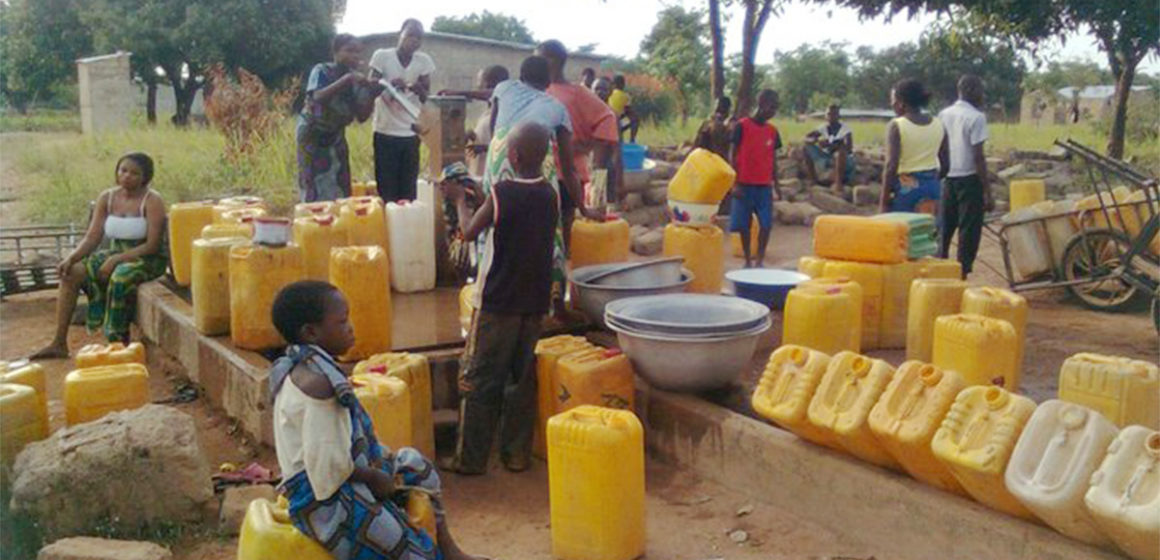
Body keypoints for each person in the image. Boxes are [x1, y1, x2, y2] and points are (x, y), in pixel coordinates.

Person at [269, 281, 482, 560]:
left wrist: (378, 465)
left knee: (416, 466)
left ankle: (450, 550)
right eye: (342, 321)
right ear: (311, 332)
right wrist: (373, 478)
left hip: (343, 471)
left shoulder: (308, 366)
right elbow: (328, 471)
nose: (351, 328)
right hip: (324, 498)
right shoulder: (319, 388)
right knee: (407, 548)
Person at [441, 122, 559, 475]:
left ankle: (470, 458)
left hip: (496, 304)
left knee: (478, 379)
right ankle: (516, 455)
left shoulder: (502, 194)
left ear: (514, 155)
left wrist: (462, 201)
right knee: (520, 381)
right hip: (534, 304)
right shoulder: (549, 195)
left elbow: (468, 232)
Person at [482, 56, 598, 316]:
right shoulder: (557, 108)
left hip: (500, 160)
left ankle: (492, 299)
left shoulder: (504, 88)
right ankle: (556, 302)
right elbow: (568, 168)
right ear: (548, 82)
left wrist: (498, 157)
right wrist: (583, 207)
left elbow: (494, 133)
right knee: (548, 233)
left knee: (496, 229)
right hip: (537, 169)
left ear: (520, 76)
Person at [31, 153, 167, 359]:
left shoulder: (152, 200)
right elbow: (92, 237)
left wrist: (116, 260)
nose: (127, 176)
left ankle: (118, 344)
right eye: (123, 170)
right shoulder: (108, 197)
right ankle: (59, 342)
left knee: (120, 277)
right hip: (114, 252)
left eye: (134, 173)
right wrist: (71, 258)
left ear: (145, 177)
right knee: (71, 273)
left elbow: (152, 245)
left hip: (145, 257)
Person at [536, 39, 621, 224]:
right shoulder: (535, 90)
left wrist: (594, 147)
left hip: (568, 173)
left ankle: (570, 251)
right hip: (539, 171)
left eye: (539, 59)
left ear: (553, 61)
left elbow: (607, 117)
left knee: (566, 220)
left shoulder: (577, 93)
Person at [297, 34, 382, 202]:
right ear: (335, 52)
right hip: (313, 133)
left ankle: (337, 222)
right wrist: (347, 79)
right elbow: (318, 97)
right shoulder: (321, 70)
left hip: (336, 135)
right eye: (349, 51)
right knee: (312, 181)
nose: (354, 56)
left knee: (341, 181)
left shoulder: (357, 80)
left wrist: (373, 94)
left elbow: (362, 117)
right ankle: (314, 221)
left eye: (358, 52)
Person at [369, 19, 434, 202]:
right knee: (387, 188)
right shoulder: (382, 56)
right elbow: (371, 87)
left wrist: (418, 89)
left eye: (419, 38)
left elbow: (426, 97)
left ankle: (405, 225)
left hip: (411, 132)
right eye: (410, 35)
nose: (414, 41)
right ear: (401, 34)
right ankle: (390, 226)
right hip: (385, 131)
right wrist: (389, 85)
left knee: (408, 189)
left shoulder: (424, 61)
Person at [938, 74, 993, 278]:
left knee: (945, 226)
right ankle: (962, 272)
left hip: (948, 177)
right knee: (969, 230)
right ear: (970, 90)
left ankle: (938, 266)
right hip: (969, 178)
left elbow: (940, 148)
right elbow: (978, 156)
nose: (983, 95)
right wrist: (987, 191)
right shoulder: (977, 117)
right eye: (980, 90)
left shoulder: (943, 114)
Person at [730, 89, 783, 269]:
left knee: (766, 224)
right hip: (744, 183)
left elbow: (773, 159)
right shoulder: (742, 126)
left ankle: (759, 260)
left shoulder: (773, 132)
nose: (773, 112)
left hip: (764, 185)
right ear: (761, 104)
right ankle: (747, 260)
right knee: (744, 225)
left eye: (775, 108)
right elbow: (733, 154)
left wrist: (777, 184)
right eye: (772, 107)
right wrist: (734, 181)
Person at [880, 78, 949, 214]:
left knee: (903, 232)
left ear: (901, 103)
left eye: (893, 101)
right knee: (929, 231)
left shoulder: (897, 125)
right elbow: (946, 164)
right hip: (932, 187)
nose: (892, 105)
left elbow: (891, 166)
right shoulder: (939, 124)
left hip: (906, 189)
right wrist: (930, 181)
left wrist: (884, 201)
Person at [439, 65, 510, 179]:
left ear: (489, 83)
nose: (478, 85)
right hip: (479, 168)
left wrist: (485, 148)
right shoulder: (489, 110)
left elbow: (506, 144)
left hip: (492, 170)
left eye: (480, 81)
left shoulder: (504, 108)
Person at [803, 103, 856, 196]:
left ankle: (838, 183)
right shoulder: (823, 127)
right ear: (825, 116)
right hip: (827, 158)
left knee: (840, 153)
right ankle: (813, 179)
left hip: (844, 160)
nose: (831, 117)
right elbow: (806, 137)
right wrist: (816, 140)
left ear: (838, 116)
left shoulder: (845, 129)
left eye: (834, 114)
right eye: (829, 114)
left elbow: (848, 148)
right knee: (806, 148)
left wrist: (832, 145)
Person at [608, 75, 639, 143]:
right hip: (617, 121)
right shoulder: (625, 96)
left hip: (609, 119)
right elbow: (629, 110)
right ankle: (632, 140)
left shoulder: (609, 94)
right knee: (635, 120)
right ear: (622, 84)